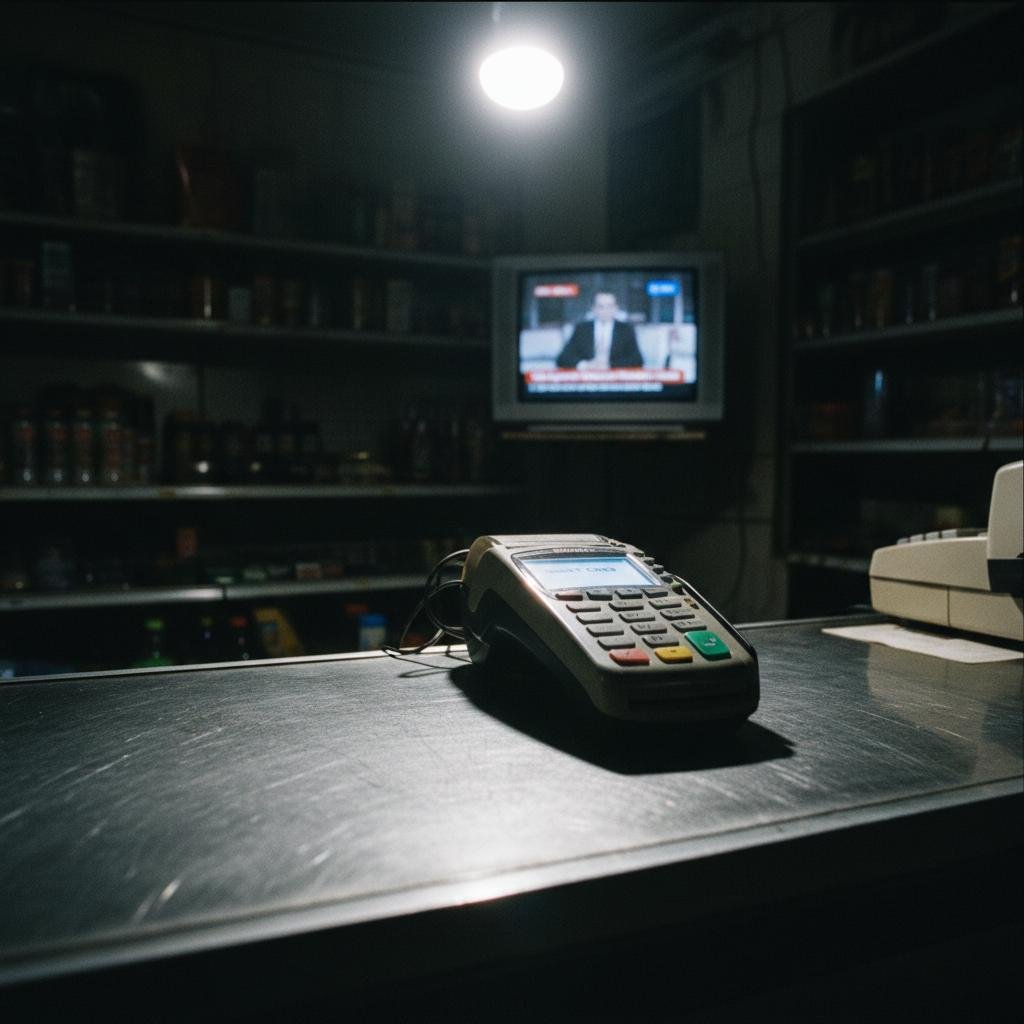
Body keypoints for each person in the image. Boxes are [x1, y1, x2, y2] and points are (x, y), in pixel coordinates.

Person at [556, 291, 643, 369]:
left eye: (609, 306)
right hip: (587, 380)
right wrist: (586, 365)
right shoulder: (582, 329)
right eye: (601, 306)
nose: (605, 310)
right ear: (593, 308)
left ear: (616, 308)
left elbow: (637, 360)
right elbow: (562, 358)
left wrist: (610, 365)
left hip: (616, 381)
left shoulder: (626, 329)